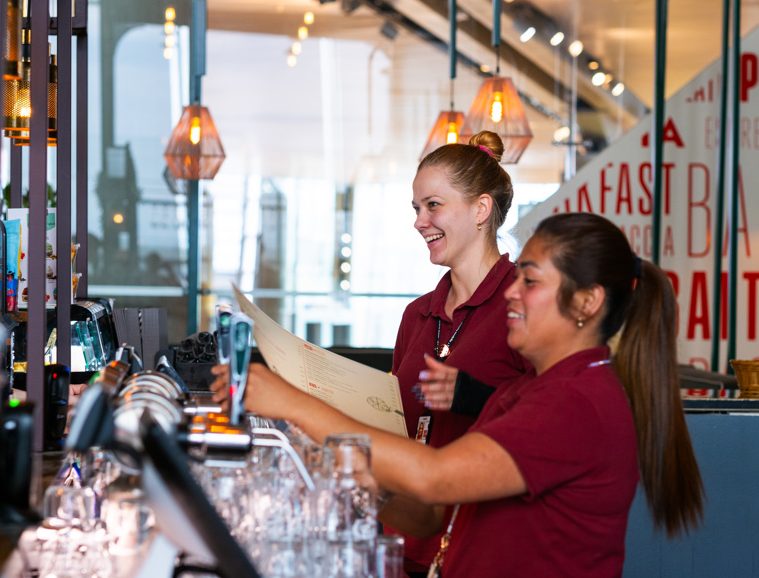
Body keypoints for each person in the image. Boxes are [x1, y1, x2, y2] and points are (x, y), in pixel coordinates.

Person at [212, 212, 705, 577]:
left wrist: (291, 402)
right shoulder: (529, 389)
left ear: (586, 302)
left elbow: (435, 479)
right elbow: (432, 516)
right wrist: (357, 479)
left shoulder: (579, 401)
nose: (511, 292)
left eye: (530, 282)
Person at [387, 131, 531, 573]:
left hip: (483, 552)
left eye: (433, 205)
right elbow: (397, 423)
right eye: (416, 208)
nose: (419, 221)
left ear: (481, 209)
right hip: (405, 544)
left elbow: (553, 422)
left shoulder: (526, 305)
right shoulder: (416, 315)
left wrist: (474, 397)